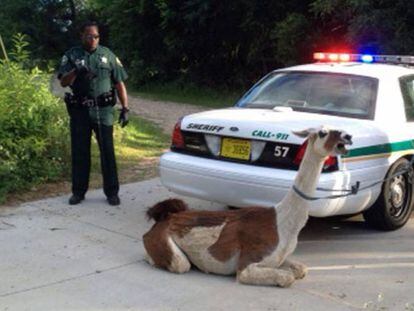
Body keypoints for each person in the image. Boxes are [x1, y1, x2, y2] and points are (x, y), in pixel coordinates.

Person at [58, 21, 129, 206]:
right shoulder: (71, 55)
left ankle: (112, 192)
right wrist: (75, 71)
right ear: (82, 35)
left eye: (96, 36)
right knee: (80, 152)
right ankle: (78, 192)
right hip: (80, 111)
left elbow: (119, 82)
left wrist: (125, 108)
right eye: (89, 36)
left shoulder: (107, 55)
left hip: (104, 111)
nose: (93, 40)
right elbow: (63, 82)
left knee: (107, 151)